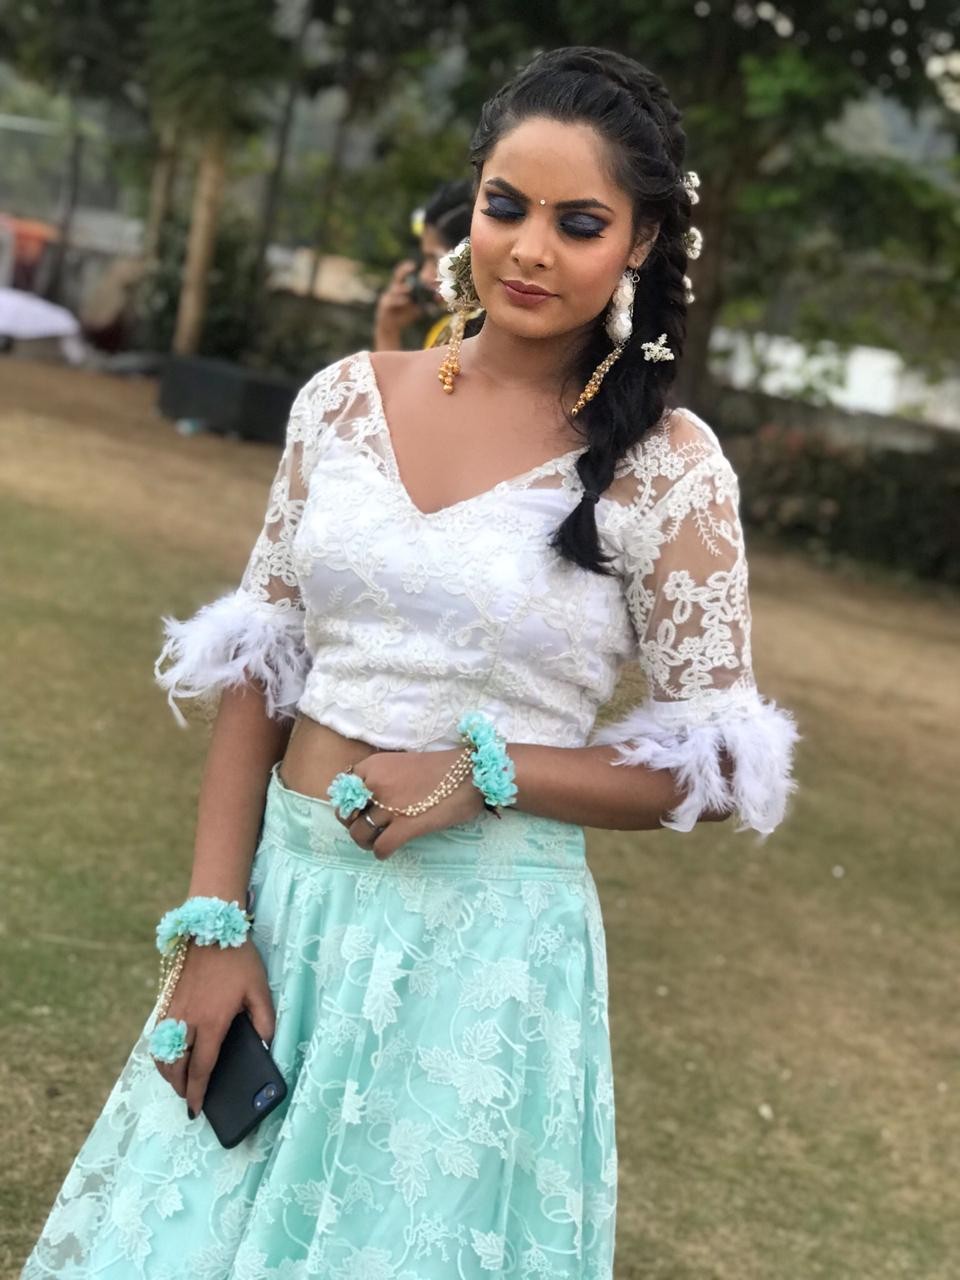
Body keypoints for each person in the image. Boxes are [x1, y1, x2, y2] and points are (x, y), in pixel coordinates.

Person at [22, 46, 799, 1280]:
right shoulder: (343, 399)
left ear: (641, 242)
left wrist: (486, 773)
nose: (529, 249)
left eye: (579, 222)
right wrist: (214, 923)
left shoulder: (671, 465)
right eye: (506, 205)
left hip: (481, 953)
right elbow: (261, 666)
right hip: (285, 909)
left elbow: (711, 766)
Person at [373, 178, 480, 352]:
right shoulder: (453, 329)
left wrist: (387, 333)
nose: (424, 275)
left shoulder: (457, 336)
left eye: (435, 260)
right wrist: (389, 329)